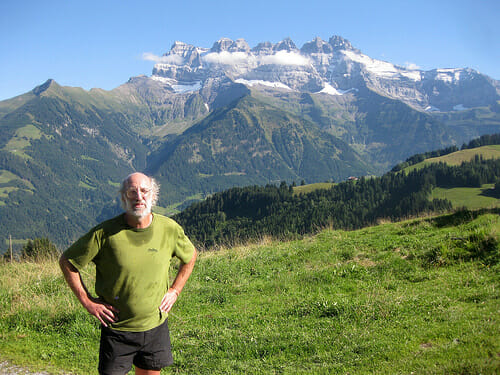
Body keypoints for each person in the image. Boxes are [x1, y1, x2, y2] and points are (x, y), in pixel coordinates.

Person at [59, 172, 197, 375]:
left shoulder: (169, 229)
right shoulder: (104, 233)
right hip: (117, 330)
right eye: (132, 192)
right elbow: (68, 262)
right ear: (123, 197)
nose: (139, 197)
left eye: (144, 191)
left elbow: (191, 256)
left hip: (155, 326)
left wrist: (175, 290)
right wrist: (88, 302)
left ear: (153, 195)